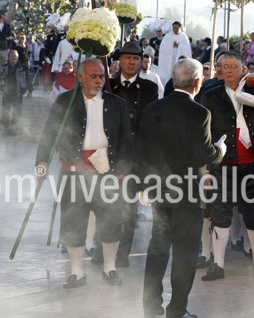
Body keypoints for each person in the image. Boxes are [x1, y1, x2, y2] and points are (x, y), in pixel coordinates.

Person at [136, 58, 226, 318]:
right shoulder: (199, 113)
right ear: (197, 83)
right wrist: (220, 149)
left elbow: (140, 149)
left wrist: (142, 185)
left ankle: (151, 307)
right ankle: (177, 310)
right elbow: (203, 154)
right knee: (184, 254)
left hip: (159, 189)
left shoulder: (153, 108)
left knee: (157, 250)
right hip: (187, 193)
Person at [35, 58, 133, 289]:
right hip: (73, 172)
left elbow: (126, 140)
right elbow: (50, 133)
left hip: (106, 173)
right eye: (93, 76)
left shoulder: (117, 103)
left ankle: (110, 268)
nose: (99, 81)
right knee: (73, 222)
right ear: (80, 78)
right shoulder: (65, 101)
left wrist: (123, 167)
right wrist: (42, 161)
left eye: (102, 77)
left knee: (111, 222)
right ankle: (77, 272)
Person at [198, 50, 254, 281]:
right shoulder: (210, 95)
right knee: (219, 214)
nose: (229, 70)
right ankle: (218, 264)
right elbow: (203, 134)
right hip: (222, 165)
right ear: (219, 70)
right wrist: (206, 169)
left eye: (234, 66)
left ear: (244, 69)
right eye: (225, 66)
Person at [93, 41, 160, 268]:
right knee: (103, 205)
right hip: (107, 155)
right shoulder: (108, 84)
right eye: (127, 58)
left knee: (128, 210)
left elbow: (149, 123)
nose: (131, 62)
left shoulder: (149, 88)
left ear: (141, 61)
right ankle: (101, 250)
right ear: (119, 60)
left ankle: (122, 255)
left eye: (136, 58)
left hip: (134, 156)